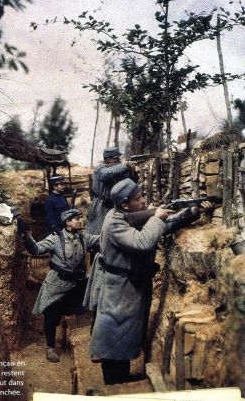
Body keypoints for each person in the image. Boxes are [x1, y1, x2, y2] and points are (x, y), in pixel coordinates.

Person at [89, 178, 212, 384]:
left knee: (123, 337)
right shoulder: (115, 223)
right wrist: (156, 217)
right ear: (125, 204)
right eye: (139, 199)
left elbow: (163, 225)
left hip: (128, 286)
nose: (144, 202)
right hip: (120, 289)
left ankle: (120, 378)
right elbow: (144, 241)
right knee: (114, 338)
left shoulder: (122, 214)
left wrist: (193, 212)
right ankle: (114, 386)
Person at [19, 208, 99, 362]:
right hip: (56, 285)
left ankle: (88, 344)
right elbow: (36, 249)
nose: (80, 221)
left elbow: (102, 239)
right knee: (51, 316)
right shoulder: (55, 238)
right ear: (68, 222)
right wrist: (26, 236)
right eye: (77, 219)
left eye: (80, 218)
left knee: (90, 306)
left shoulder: (84, 238)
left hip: (76, 285)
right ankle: (50, 348)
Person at [86, 146, 138, 235]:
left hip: (113, 205)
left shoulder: (118, 169)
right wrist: (124, 165)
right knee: (97, 231)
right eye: (116, 158)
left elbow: (131, 182)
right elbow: (106, 174)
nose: (118, 159)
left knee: (112, 231)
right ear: (108, 159)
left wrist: (132, 170)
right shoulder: (100, 169)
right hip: (101, 205)